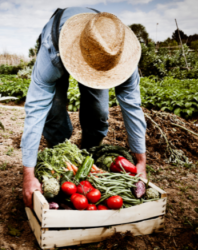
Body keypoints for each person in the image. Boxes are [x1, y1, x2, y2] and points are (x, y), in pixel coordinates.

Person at [20, 7, 147, 208]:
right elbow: (36, 108)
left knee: (99, 112)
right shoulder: (52, 53)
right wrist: (28, 174)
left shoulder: (120, 54)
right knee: (54, 113)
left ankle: (88, 155)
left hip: (99, 53)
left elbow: (132, 106)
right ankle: (59, 157)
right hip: (60, 45)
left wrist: (141, 161)